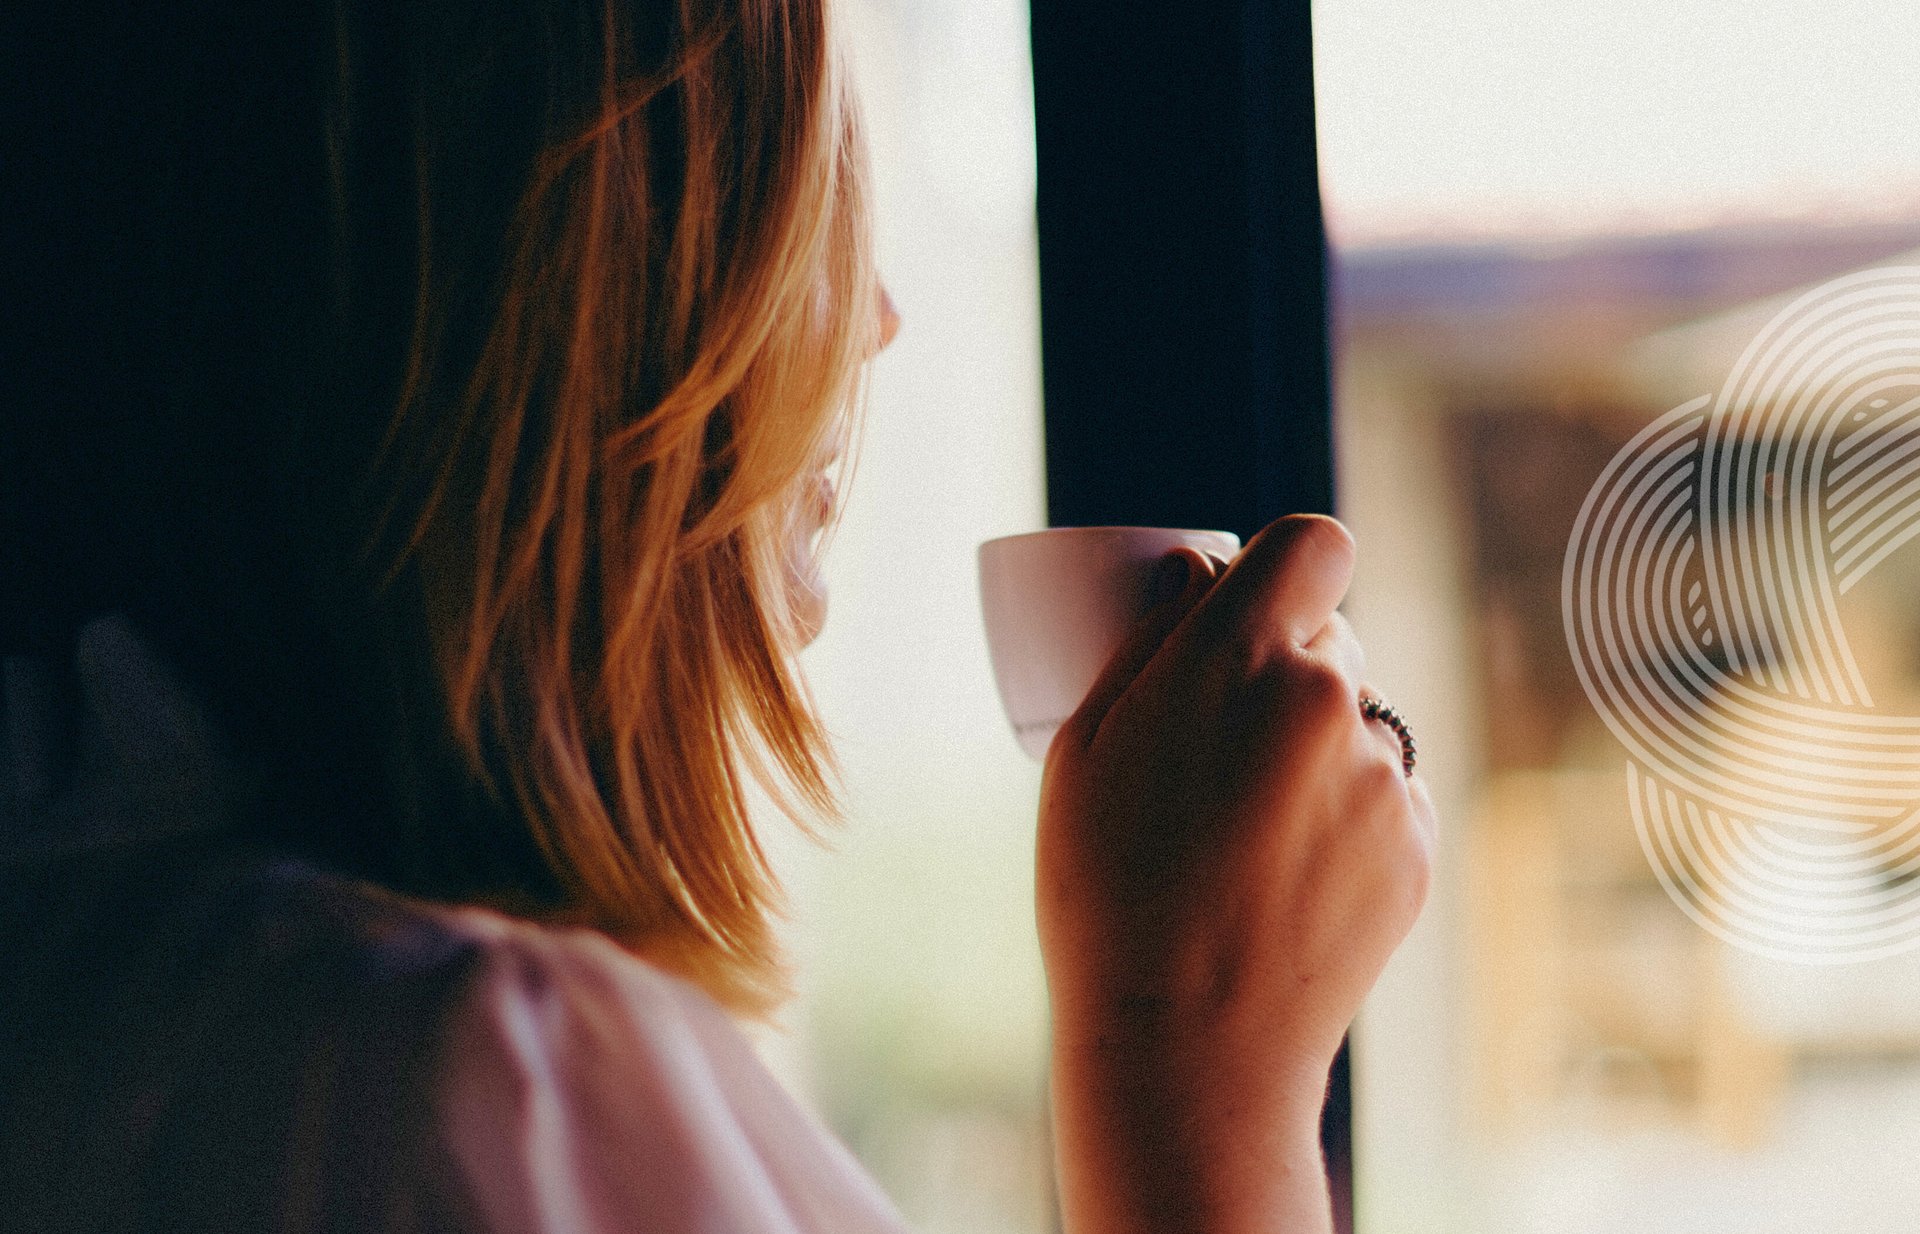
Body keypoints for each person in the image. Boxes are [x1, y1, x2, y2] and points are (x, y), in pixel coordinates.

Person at [0, 1, 1435, 1231]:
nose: (871, 316)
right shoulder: (477, 1086)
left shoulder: (101, 948)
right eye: (792, 192)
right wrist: (1197, 1078)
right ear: (581, 270)